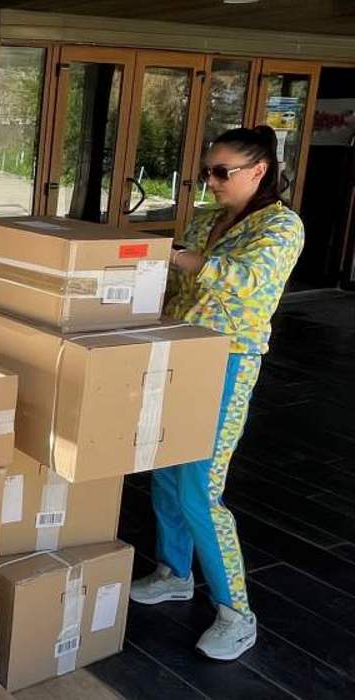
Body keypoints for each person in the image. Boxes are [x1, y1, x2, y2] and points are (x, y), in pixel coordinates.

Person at [130, 126, 304, 661]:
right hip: (179, 354)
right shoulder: (207, 219)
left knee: (200, 488)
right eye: (207, 171)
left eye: (222, 172)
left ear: (259, 171)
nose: (211, 181)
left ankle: (236, 613)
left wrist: (187, 259)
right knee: (165, 472)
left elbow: (249, 281)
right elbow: (178, 288)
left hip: (228, 361)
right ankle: (174, 572)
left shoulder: (281, 226)